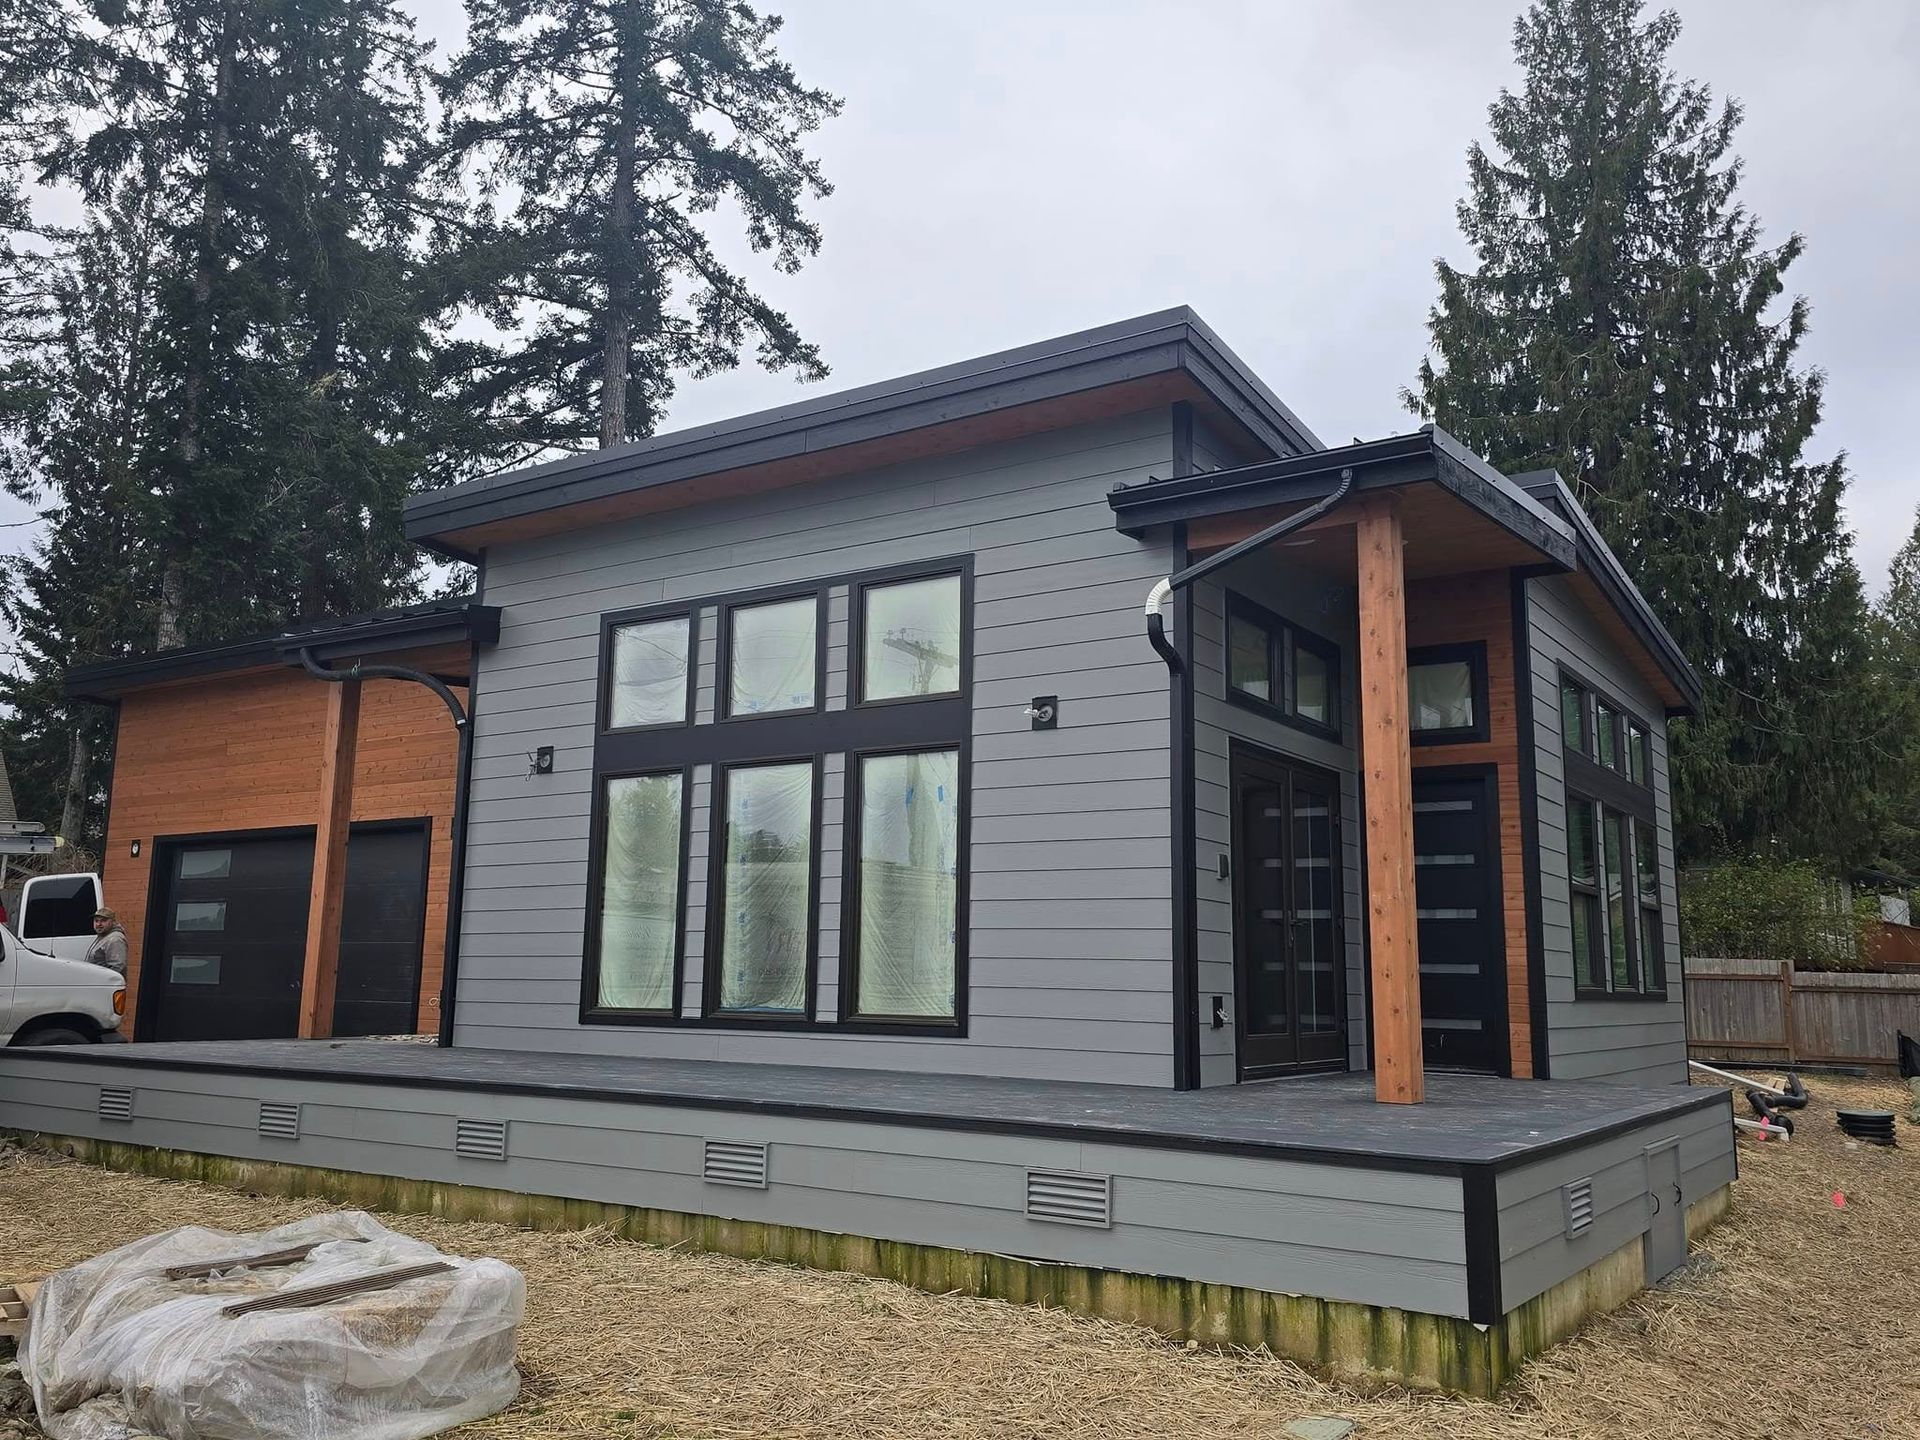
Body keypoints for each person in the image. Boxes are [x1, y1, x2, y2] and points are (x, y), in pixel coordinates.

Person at [87, 907, 128, 976]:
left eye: (103, 921)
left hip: (106, 984)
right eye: (96, 921)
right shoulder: (103, 936)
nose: (99, 924)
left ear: (113, 921)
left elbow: (117, 967)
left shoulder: (115, 939)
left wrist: (105, 983)